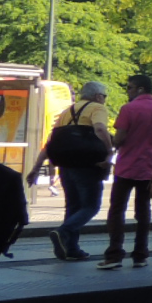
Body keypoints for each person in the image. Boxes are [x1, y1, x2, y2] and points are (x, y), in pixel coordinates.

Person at [25, 82, 111, 261]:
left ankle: (71, 248)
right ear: (97, 96)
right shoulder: (97, 108)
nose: (104, 100)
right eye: (104, 96)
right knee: (91, 206)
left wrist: (35, 168)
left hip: (65, 167)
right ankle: (63, 232)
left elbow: (51, 143)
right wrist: (110, 152)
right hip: (88, 166)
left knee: (73, 207)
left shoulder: (66, 112)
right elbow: (101, 129)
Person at [97, 74, 152, 269]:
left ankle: (114, 254)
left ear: (140, 89)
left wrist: (115, 142)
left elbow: (119, 138)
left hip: (127, 167)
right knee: (143, 211)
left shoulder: (128, 109)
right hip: (151, 168)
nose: (128, 91)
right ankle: (141, 255)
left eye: (130, 87)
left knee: (117, 210)